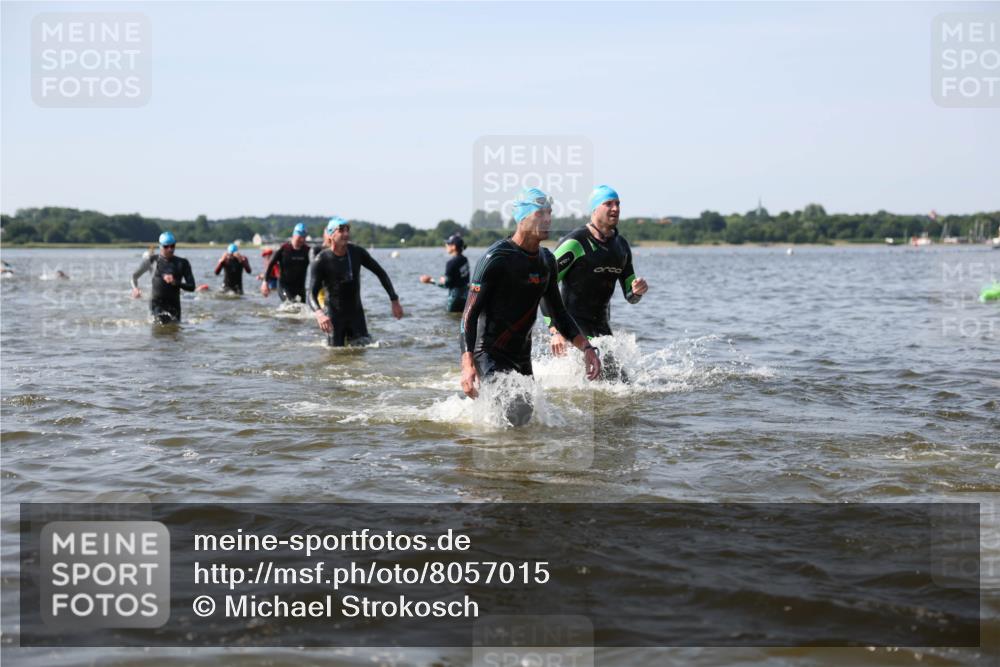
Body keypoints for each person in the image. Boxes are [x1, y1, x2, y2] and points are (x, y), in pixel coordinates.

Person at [460, 188, 601, 426]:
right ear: (522, 217)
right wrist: (467, 364)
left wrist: (587, 348)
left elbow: (560, 314)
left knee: (523, 420)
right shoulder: (496, 259)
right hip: (489, 355)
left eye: (549, 213)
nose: (547, 219)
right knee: (513, 413)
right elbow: (469, 316)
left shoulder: (547, 261)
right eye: (540, 213)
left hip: (522, 359)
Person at [543, 185, 649, 380]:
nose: (615, 208)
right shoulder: (575, 242)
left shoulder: (621, 246)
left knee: (622, 383)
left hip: (602, 329)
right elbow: (543, 286)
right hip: (573, 327)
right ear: (594, 209)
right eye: (608, 203)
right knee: (609, 379)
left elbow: (630, 296)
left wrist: (637, 291)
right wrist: (554, 331)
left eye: (617, 203)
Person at [307, 216, 404, 346]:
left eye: (347, 230)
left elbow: (380, 273)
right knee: (335, 358)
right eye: (341, 230)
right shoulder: (321, 260)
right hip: (334, 316)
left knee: (363, 354)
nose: (346, 233)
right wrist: (319, 314)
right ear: (330, 234)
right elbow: (311, 293)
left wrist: (394, 300)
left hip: (356, 315)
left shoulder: (357, 252)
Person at [130, 231, 196, 323]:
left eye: (172, 246)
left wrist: (175, 282)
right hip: (156, 304)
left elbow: (192, 287)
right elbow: (134, 277)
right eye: (166, 246)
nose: (170, 249)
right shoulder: (152, 260)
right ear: (160, 246)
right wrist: (135, 288)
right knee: (159, 327)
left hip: (174, 305)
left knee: (174, 332)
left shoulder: (183, 263)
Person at [260, 223, 312, 302]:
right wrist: (265, 282)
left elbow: (318, 265)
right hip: (284, 286)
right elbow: (271, 264)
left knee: (302, 309)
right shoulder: (283, 249)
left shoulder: (308, 251)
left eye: (304, 237)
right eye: (299, 237)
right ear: (293, 235)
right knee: (291, 304)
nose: (302, 240)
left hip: (300, 288)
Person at [419, 234, 470, 313]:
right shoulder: (464, 259)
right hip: (466, 297)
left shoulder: (451, 263)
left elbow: (447, 284)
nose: (446, 245)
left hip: (455, 299)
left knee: (451, 318)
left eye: (448, 244)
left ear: (454, 247)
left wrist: (430, 281)